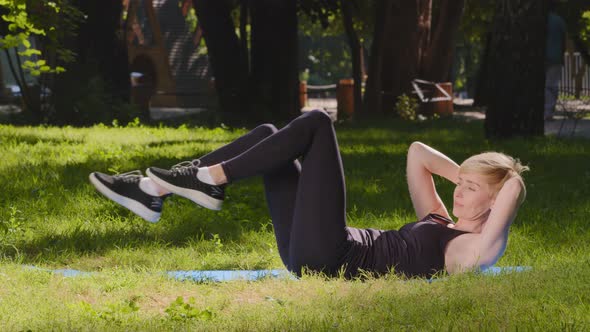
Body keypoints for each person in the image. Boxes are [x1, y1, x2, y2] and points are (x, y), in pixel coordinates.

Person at [89, 110, 528, 279]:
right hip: (312, 251)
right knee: (267, 135)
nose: (457, 193)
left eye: (470, 190)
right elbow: (417, 154)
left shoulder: (470, 249)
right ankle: (157, 188)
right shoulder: (437, 218)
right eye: (459, 186)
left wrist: (502, 179)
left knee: (318, 123)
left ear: (494, 202)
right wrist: (467, 175)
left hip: (334, 257)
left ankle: (203, 180)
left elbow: (513, 186)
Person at [544, 1, 567, 121]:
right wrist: (561, 54)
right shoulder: (559, 20)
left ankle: (543, 111)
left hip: (541, 57)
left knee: (543, 86)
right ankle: (549, 112)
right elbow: (564, 41)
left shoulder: (540, 20)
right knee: (552, 85)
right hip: (556, 57)